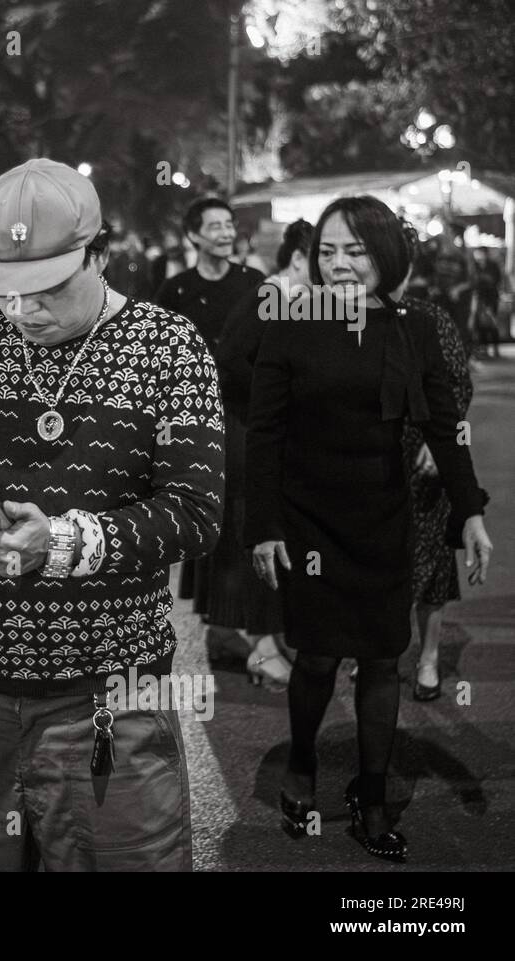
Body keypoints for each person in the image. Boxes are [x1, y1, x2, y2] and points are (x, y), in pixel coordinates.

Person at [0, 158, 224, 871]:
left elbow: (194, 512)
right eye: (6, 292)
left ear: (100, 254)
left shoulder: (169, 345)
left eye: (47, 290)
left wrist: (62, 542)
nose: (24, 311)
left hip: (111, 695)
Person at [247, 196, 493, 863]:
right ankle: (300, 765)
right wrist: (264, 525)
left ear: (386, 255)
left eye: (353, 250)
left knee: (384, 655)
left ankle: (374, 793)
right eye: (327, 251)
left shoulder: (413, 327)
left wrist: (470, 510)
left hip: (384, 514)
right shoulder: (290, 321)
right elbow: (264, 431)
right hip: (309, 518)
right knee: (319, 655)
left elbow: (445, 426)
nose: (339, 264)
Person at [214, 220, 314, 689]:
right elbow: (231, 360)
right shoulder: (268, 297)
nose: (336, 269)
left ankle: (271, 642)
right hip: (248, 432)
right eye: (324, 258)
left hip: (268, 431)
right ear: (298, 258)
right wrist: (269, 404)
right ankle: (263, 648)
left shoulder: (298, 299)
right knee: (258, 531)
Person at [158, 199, 265, 612]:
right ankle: (212, 602)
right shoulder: (177, 289)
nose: (225, 233)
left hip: (243, 408)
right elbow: (161, 353)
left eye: (228, 225)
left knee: (240, 497)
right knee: (206, 500)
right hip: (196, 415)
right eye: (214, 226)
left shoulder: (254, 281)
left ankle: (239, 604)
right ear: (194, 235)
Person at [397, 227, 477, 702]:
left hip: (425, 460)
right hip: (373, 461)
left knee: (431, 561)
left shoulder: (430, 317)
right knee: (378, 562)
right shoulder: (347, 317)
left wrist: (436, 445)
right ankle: (379, 653)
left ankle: (428, 657)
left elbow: (455, 386)